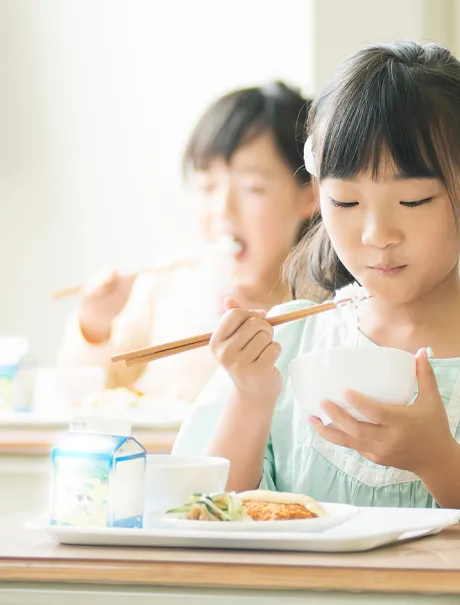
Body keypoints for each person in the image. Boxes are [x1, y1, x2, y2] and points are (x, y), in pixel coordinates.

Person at [173, 41, 460, 524]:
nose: (378, 235)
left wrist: (438, 462)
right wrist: (250, 398)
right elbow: (206, 518)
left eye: (414, 201)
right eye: (346, 203)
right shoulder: (283, 344)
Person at [59, 82, 316, 402]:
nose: (223, 208)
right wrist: (95, 325)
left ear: (310, 197)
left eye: (253, 188)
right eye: (207, 187)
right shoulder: (165, 286)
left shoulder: (321, 302)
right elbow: (92, 385)